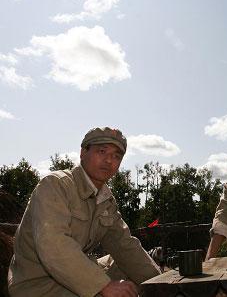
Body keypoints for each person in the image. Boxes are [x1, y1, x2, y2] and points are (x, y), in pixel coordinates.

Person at [8, 127, 161, 297]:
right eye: (102, 151)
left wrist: (161, 283)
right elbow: (54, 244)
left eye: (116, 156)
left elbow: (125, 245)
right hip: (38, 283)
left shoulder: (106, 200)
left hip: (74, 276)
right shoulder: (55, 185)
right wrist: (104, 286)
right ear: (82, 152)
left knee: (130, 271)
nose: (109, 160)